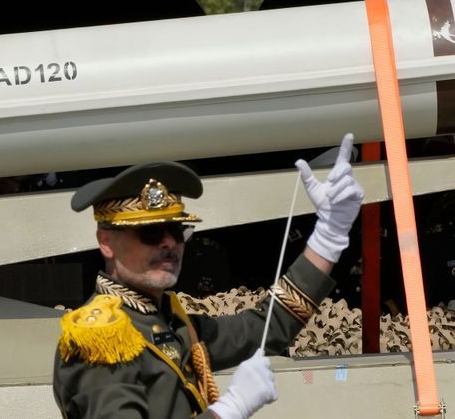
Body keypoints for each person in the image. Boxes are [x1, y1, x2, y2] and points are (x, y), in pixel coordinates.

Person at [52, 134, 364, 419]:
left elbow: (266, 327)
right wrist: (230, 409)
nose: (169, 243)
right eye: (150, 233)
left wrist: (329, 235)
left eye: (177, 230)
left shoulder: (167, 320)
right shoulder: (100, 340)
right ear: (106, 242)